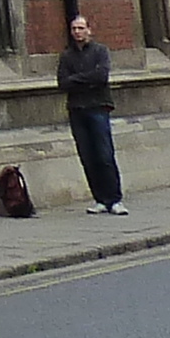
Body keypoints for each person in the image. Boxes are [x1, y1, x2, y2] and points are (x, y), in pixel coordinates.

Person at [57, 14, 125, 215]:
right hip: (77, 109)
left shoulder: (100, 51)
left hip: (98, 107)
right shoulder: (67, 56)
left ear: (89, 30)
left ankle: (115, 199)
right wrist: (88, 79)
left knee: (104, 155)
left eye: (80, 28)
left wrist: (76, 80)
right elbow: (62, 83)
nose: (77, 32)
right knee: (87, 156)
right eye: (74, 29)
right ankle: (100, 199)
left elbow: (101, 76)